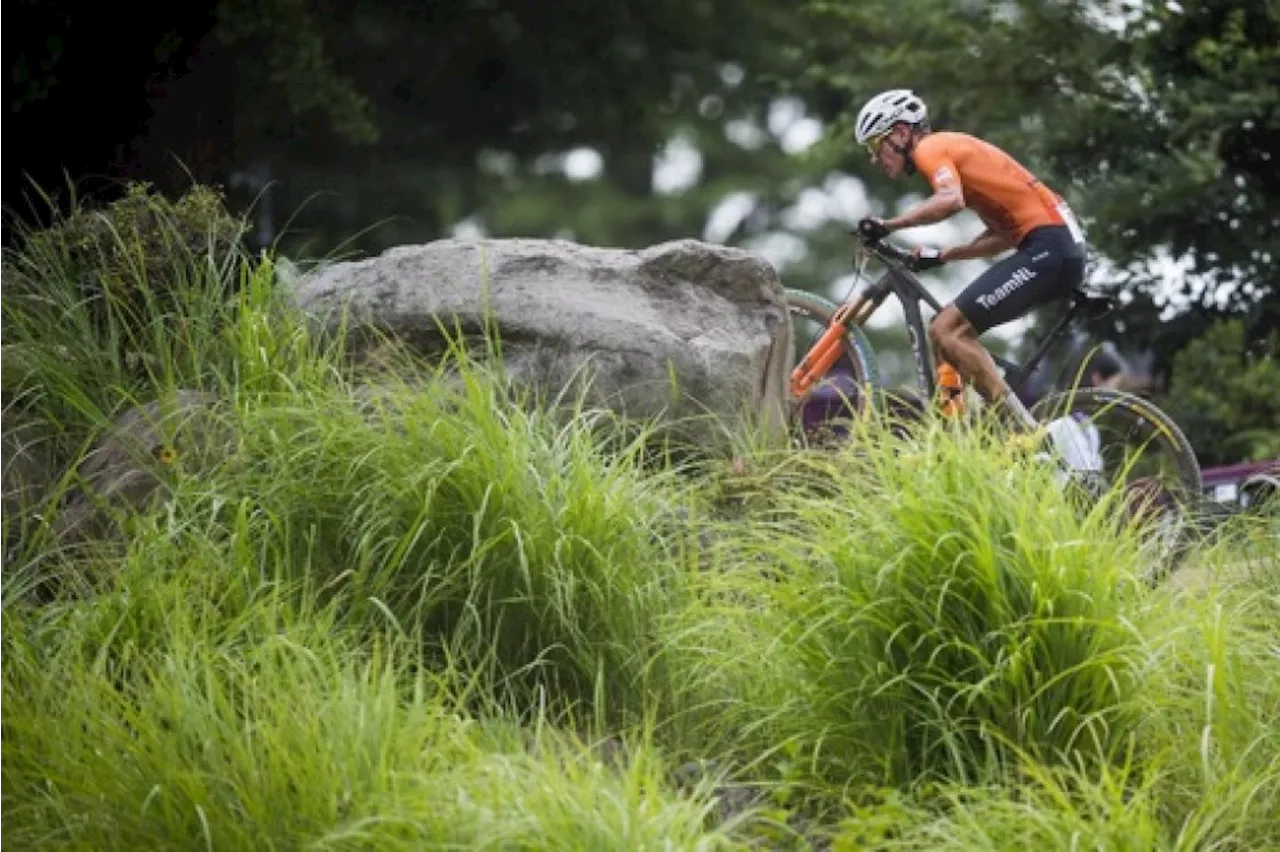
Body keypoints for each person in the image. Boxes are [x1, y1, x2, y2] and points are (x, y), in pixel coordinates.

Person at [851, 89, 1087, 434]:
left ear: (901, 133)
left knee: (948, 329)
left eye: (875, 146)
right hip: (1057, 249)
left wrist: (888, 226)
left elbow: (949, 199)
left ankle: (1024, 430)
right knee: (941, 332)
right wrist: (943, 255)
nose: (875, 158)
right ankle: (953, 431)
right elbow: (1004, 236)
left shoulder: (931, 147)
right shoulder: (957, 153)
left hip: (1050, 248)